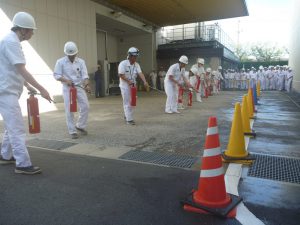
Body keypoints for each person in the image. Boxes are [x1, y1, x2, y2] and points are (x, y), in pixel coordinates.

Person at [0, 12, 52, 175]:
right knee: (17, 128)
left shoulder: (12, 41)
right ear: (22, 29)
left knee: (11, 126)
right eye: (31, 30)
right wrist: (43, 89)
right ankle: (22, 164)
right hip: (5, 92)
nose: (32, 33)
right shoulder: (11, 42)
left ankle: (6, 155)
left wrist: (28, 86)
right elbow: (21, 68)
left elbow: (14, 69)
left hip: (9, 90)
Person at [54, 41, 90, 139]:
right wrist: (66, 80)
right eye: (70, 55)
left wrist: (86, 85)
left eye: (73, 55)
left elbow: (85, 75)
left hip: (79, 87)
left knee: (86, 106)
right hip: (68, 88)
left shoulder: (81, 62)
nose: (72, 57)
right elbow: (56, 75)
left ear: (76, 53)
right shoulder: (60, 62)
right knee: (70, 109)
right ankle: (72, 131)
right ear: (66, 53)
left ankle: (80, 125)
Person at [118, 47, 149, 125]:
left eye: (136, 56)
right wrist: (129, 81)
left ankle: (127, 115)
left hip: (133, 85)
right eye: (134, 56)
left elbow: (140, 73)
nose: (135, 58)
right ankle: (129, 119)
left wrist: (145, 82)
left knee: (133, 101)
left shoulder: (136, 64)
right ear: (129, 55)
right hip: (125, 85)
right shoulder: (123, 63)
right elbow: (121, 75)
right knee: (127, 101)